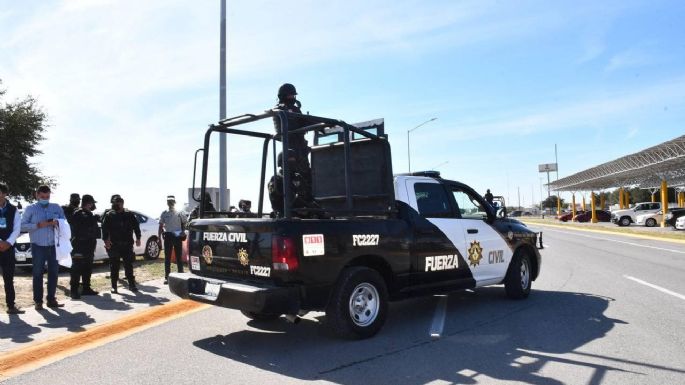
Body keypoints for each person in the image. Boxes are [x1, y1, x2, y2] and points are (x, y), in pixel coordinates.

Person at [21, 185, 65, 310]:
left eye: (47, 196)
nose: (45, 199)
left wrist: (58, 223)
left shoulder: (56, 207)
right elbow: (22, 226)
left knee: (53, 273)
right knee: (37, 273)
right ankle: (38, 301)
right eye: (42, 197)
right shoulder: (30, 209)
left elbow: (65, 223)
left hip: (53, 246)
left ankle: (51, 299)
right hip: (38, 246)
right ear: (37, 195)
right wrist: (38, 225)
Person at [271, 83, 314, 212]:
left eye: (293, 95)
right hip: (290, 146)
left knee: (307, 175)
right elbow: (283, 130)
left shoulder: (295, 109)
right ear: (283, 96)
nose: (293, 97)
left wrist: (320, 125)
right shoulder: (279, 110)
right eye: (290, 95)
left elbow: (304, 121)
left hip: (301, 147)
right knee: (291, 176)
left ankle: (308, 202)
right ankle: (293, 206)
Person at [101, 196, 140, 294]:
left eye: (117, 203)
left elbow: (136, 226)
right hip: (114, 245)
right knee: (114, 266)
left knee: (128, 265)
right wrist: (106, 240)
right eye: (114, 203)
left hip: (127, 244)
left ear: (122, 204)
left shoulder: (129, 214)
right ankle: (114, 287)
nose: (114, 205)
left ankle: (132, 285)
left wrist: (138, 238)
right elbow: (104, 228)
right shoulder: (109, 215)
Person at [0, 182, 24, 314]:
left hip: (8, 248)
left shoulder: (13, 209)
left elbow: (17, 229)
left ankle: (11, 306)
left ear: (4, 194)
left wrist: (8, 242)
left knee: (8, 279)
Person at [69, 194, 100, 298]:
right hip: (79, 245)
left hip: (89, 245)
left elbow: (93, 230)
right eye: (92, 203)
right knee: (76, 269)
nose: (92, 205)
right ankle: (74, 291)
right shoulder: (78, 213)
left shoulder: (90, 214)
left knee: (87, 268)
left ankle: (86, 288)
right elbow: (79, 225)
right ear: (88, 203)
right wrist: (92, 219)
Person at [158, 195, 187, 284]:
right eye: (169, 201)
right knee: (167, 258)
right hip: (168, 236)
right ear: (167, 203)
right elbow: (161, 226)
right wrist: (159, 237)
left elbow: (184, 223)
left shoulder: (180, 212)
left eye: (172, 201)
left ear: (175, 202)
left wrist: (183, 231)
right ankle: (167, 277)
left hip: (177, 236)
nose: (170, 203)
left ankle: (181, 276)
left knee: (179, 257)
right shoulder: (164, 213)